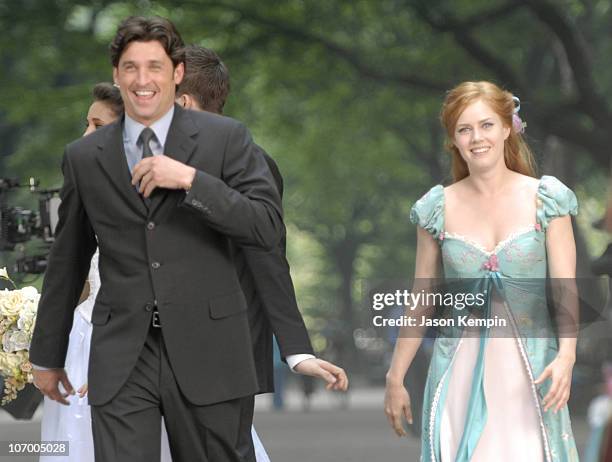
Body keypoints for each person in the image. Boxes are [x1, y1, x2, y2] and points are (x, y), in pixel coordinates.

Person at [29, 16, 304, 462]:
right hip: (121, 353)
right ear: (117, 75)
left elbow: (265, 229)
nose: (142, 80)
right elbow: (69, 256)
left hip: (209, 350)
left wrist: (192, 181)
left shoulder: (228, 139)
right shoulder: (84, 157)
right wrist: (47, 354)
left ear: (176, 75)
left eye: (155, 66)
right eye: (130, 67)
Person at [384, 81, 580, 461]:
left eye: (487, 125)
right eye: (464, 129)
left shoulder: (548, 199)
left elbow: (566, 288)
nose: (477, 138)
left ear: (508, 127)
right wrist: (396, 377)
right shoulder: (435, 208)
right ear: (453, 140)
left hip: (532, 372)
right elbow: (422, 300)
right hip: (458, 367)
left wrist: (567, 356)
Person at [175, 44, 349, 460]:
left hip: (222, 349)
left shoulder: (249, 161)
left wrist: (296, 349)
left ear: (182, 99)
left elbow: (266, 253)